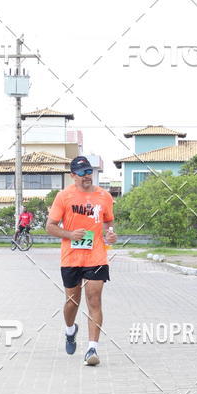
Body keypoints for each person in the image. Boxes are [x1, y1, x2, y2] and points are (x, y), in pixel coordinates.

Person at [46, 156, 116, 366]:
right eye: (82, 172)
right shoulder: (63, 196)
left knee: (94, 299)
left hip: (96, 256)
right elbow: (50, 226)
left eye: (89, 172)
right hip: (71, 258)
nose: (87, 176)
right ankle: (70, 330)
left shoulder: (104, 196)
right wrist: (69, 234)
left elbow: (108, 222)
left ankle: (92, 348)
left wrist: (110, 235)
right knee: (72, 302)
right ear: (73, 175)